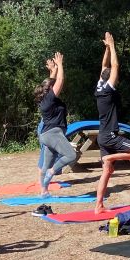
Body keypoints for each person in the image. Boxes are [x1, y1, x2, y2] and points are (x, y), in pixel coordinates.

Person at [94, 32, 130, 209]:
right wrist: (113, 45)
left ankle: (98, 205)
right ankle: (111, 157)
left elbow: (105, 65)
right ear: (110, 79)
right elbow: (114, 65)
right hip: (109, 136)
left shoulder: (100, 85)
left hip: (102, 135)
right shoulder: (108, 87)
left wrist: (107, 48)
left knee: (106, 173)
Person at [36, 52, 77, 196]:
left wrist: (52, 70)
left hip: (47, 135)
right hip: (53, 134)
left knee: (45, 165)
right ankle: (52, 172)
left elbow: (50, 82)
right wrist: (60, 64)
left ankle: (43, 191)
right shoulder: (50, 98)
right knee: (71, 155)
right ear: (51, 89)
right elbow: (59, 80)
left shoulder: (45, 98)